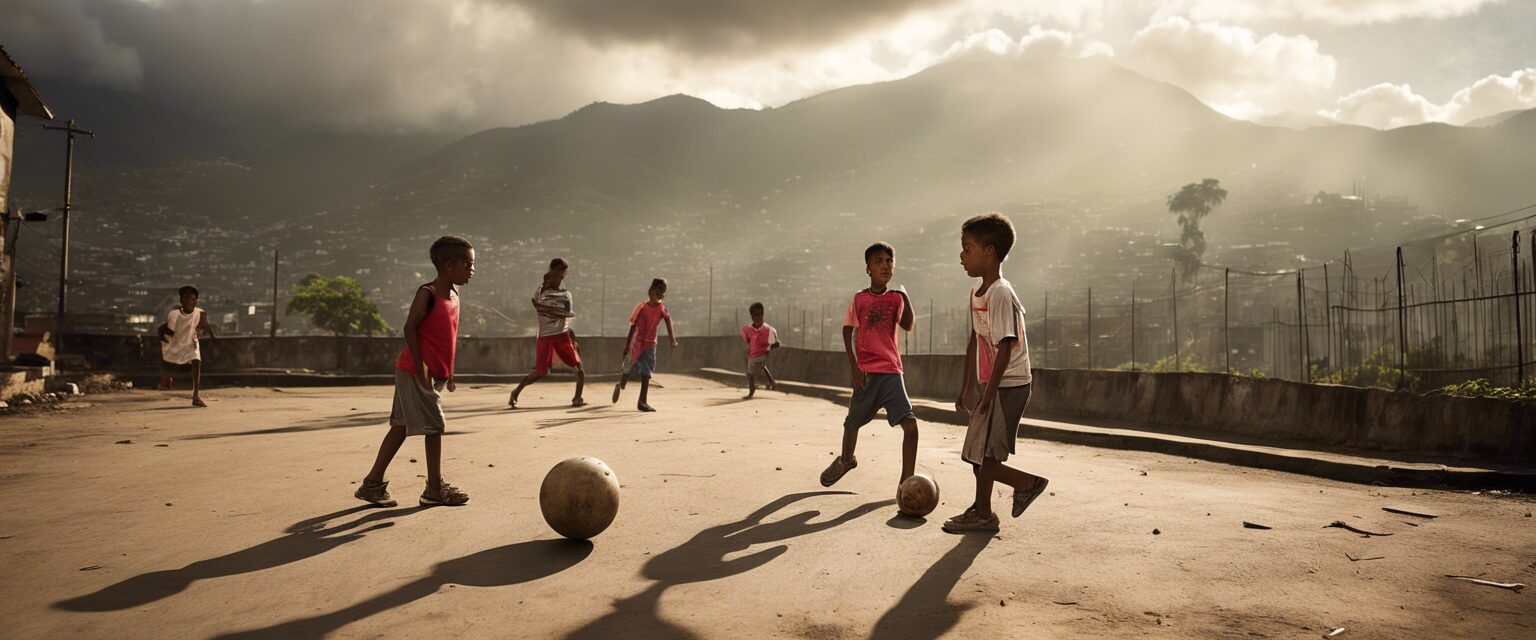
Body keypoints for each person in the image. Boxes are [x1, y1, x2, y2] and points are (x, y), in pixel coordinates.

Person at [944, 212, 1049, 534]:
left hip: (1009, 386)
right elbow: (976, 341)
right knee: (977, 454)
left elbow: (1005, 346)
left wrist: (988, 395)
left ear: (989, 251)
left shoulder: (1001, 292)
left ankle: (1028, 483)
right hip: (991, 386)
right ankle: (983, 512)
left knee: (985, 458)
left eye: (967, 249)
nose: (962, 257)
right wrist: (968, 388)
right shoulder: (978, 294)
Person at [355, 236, 475, 508]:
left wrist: (450, 374)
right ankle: (434, 488)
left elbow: (448, 338)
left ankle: (372, 484)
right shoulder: (428, 293)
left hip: (431, 374)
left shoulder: (455, 295)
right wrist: (422, 369)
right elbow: (409, 328)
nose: (472, 269)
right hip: (416, 371)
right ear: (448, 265)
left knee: (401, 426)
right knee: (435, 427)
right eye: (467, 264)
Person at [819, 242, 920, 489]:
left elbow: (907, 324)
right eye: (878, 261)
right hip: (866, 373)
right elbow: (847, 330)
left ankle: (906, 481)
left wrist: (905, 297)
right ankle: (846, 460)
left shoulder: (896, 297)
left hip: (891, 372)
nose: (885, 265)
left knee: (911, 426)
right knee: (852, 423)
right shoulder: (860, 298)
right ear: (868, 268)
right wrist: (854, 367)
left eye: (889, 261)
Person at [508, 258, 586, 408]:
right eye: (557, 271)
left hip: (562, 335)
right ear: (551, 271)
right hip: (544, 337)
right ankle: (515, 392)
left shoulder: (566, 294)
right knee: (540, 372)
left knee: (579, 369)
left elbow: (565, 313)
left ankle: (577, 398)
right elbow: (538, 306)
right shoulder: (541, 291)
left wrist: (551, 312)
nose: (560, 275)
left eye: (562, 272)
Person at [613, 278, 676, 412]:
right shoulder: (641, 307)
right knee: (629, 364)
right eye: (658, 291)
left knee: (646, 372)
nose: (660, 295)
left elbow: (668, 321)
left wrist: (672, 339)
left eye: (663, 292)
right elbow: (632, 327)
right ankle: (622, 382)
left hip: (650, 344)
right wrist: (627, 345)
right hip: (637, 342)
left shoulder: (661, 308)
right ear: (651, 291)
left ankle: (642, 401)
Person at [157, 285, 216, 407]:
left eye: (193, 299)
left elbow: (207, 326)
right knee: (170, 363)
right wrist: (163, 331)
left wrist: (213, 337)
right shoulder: (174, 314)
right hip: (175, 342)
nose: (191, 301)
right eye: (188, 298)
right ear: (182, 300)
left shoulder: (200, 313)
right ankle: (166, 379)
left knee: (196, 362)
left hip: (191, 343)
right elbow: (170, 330)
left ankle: (196, 396)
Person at [741, 302, 780, 398]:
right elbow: (747, 340)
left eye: (760, 314)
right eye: (756, 315)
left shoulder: (769, 330)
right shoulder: (747, 329)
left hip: (762, 354)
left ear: (763, 314)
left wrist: (768, 348)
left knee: (750, 373)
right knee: (761, 366)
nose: (758, 317)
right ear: (752, 316)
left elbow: (777, 343)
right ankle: (772, 383)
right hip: (753, 354)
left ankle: (751, 391)